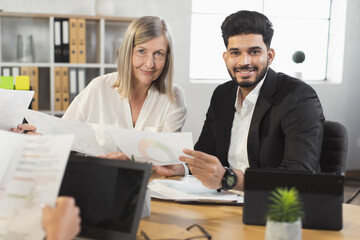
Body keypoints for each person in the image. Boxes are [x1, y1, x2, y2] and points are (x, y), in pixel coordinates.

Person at [177, 10, 325, 191]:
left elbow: (301, 174)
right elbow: (205, 154)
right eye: (235, 53)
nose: (244, 61)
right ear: (226, 57)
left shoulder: (298, 97)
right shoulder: (222, 95)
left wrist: (231, 179)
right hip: (223, 201)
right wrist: (181, 167)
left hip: (274, 206)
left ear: (269, 56)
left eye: (254, 52)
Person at [13, 16, 187, 164]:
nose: (150, 63)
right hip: (101, 182)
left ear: (167, 58)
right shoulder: (99, 88)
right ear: (128, 52)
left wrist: (134, 161)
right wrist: (40, 139)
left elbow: (171, 161)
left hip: (153, 193)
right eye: (141, 51)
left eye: (158, 54)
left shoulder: (174, 97)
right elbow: (64, 139)